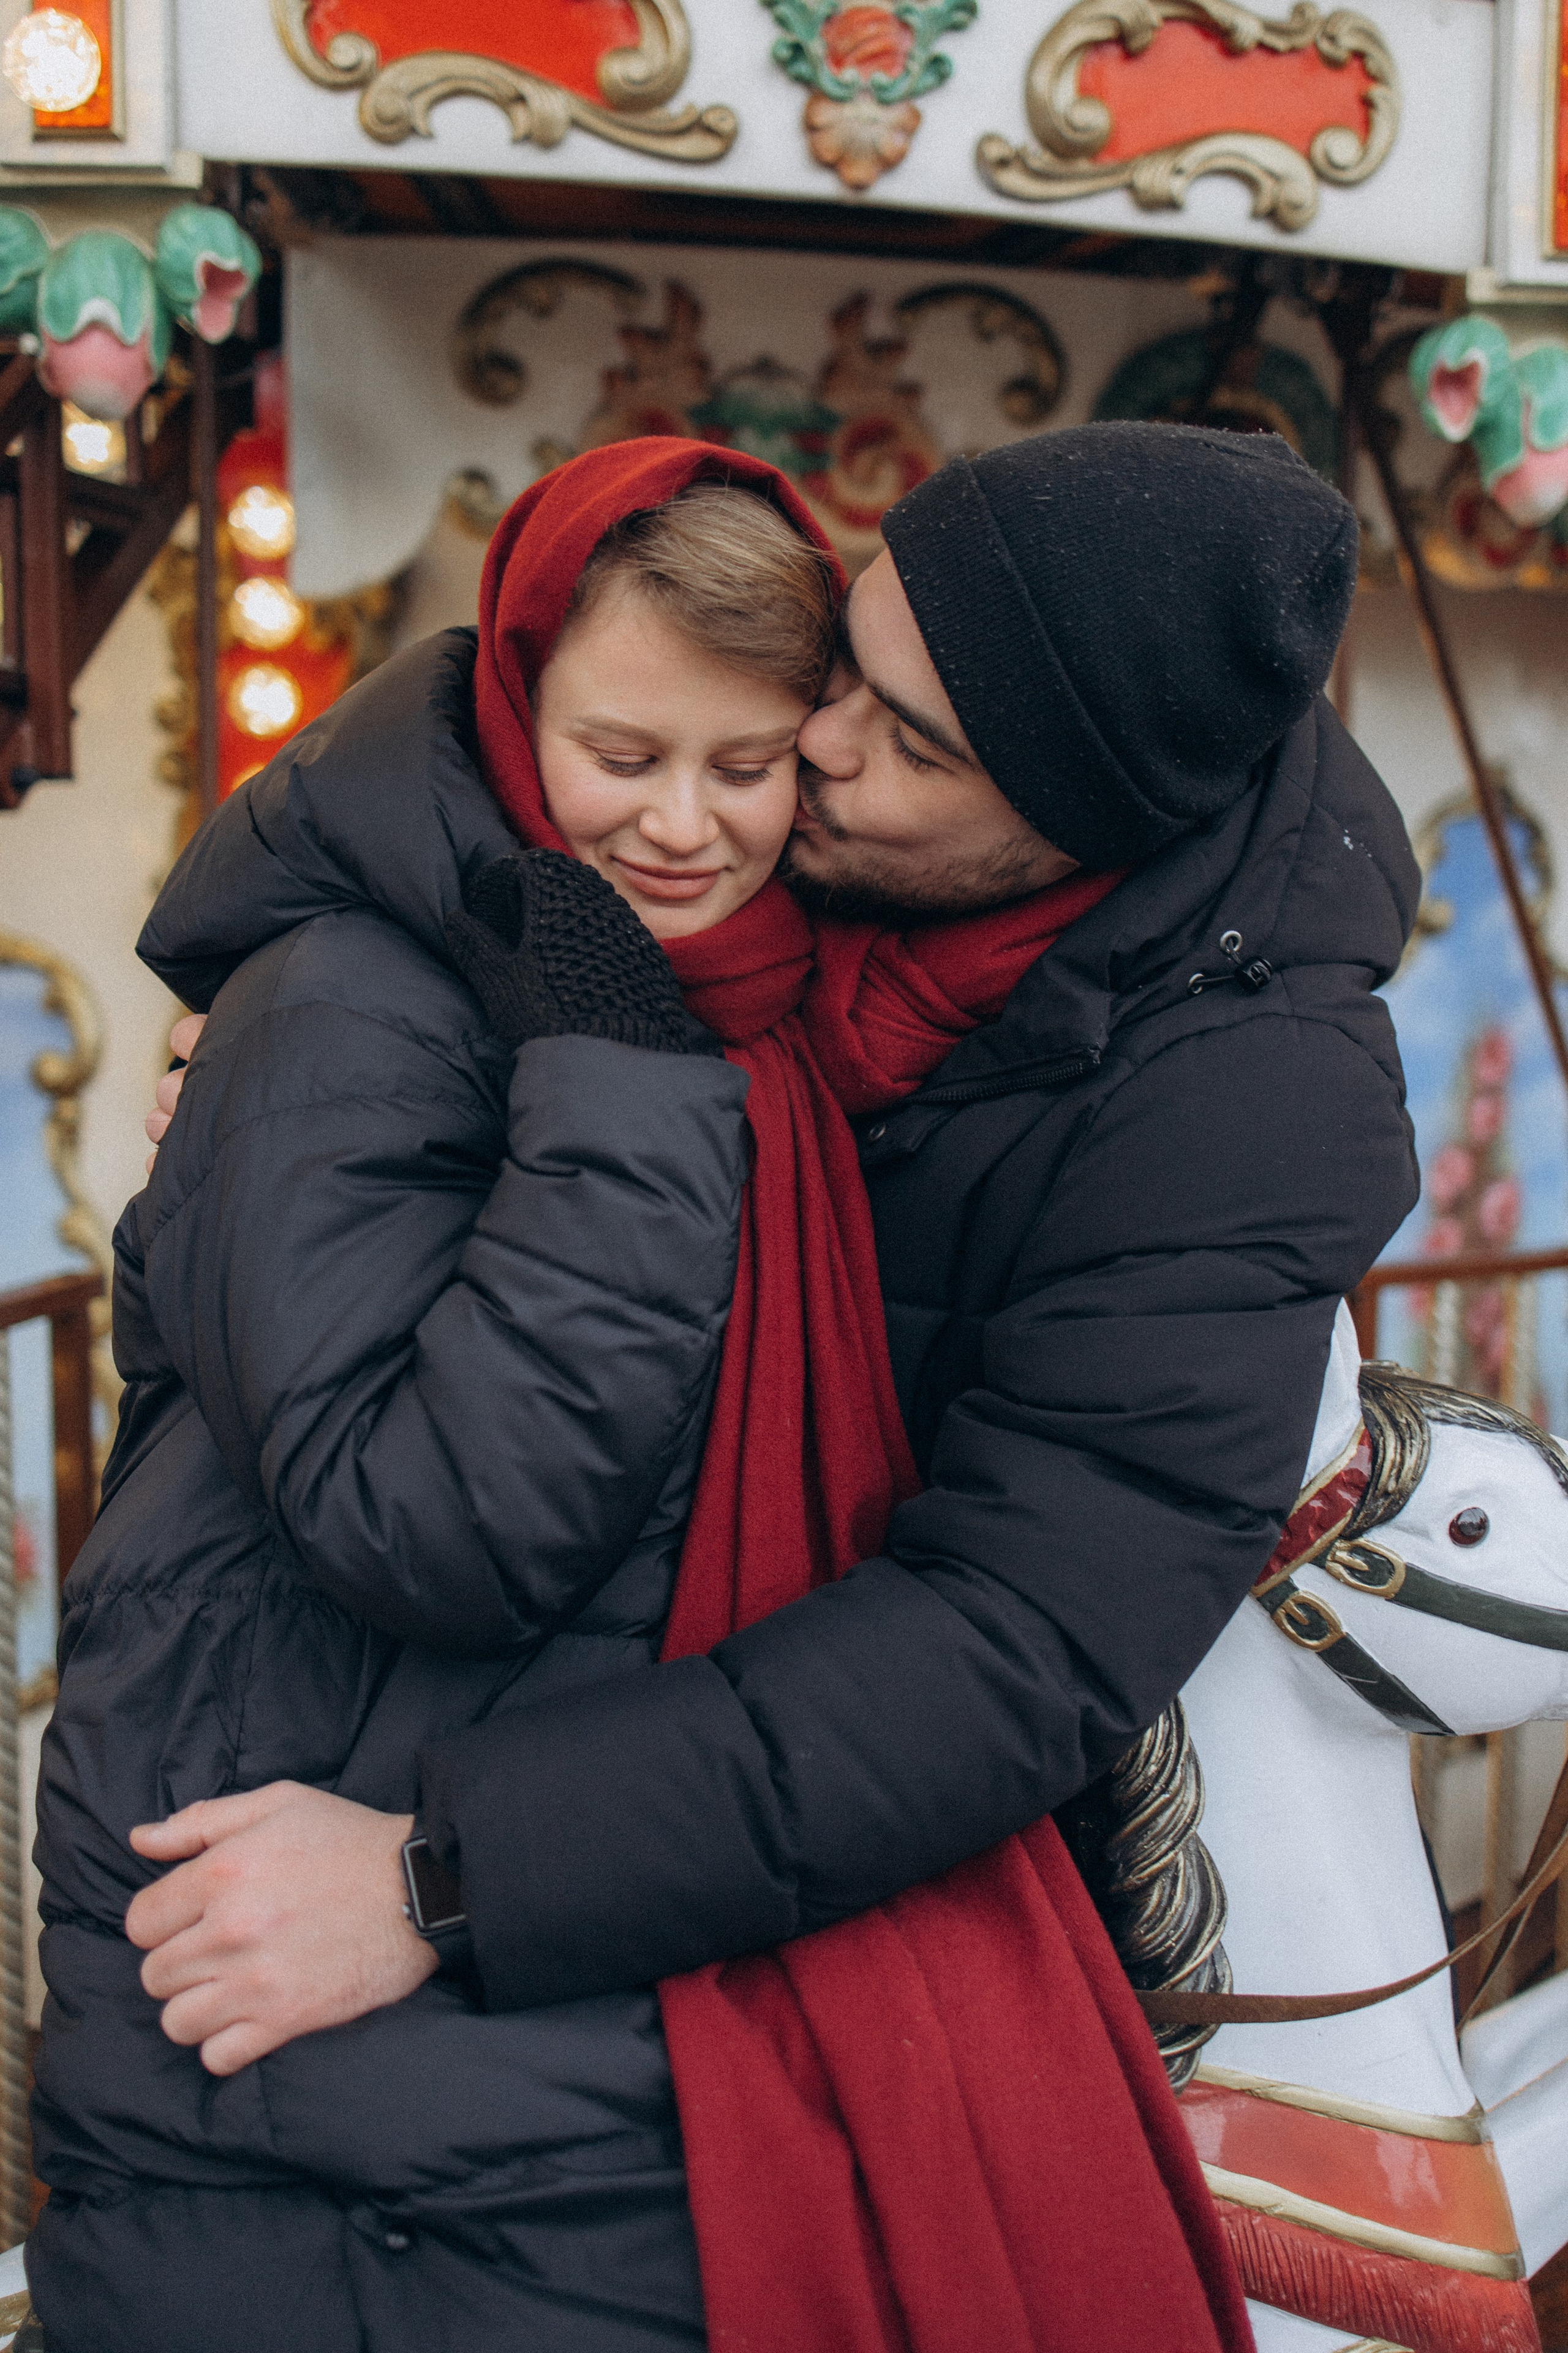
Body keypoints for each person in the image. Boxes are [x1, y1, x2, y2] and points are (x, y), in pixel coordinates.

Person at [36, 425, 1419, 2352]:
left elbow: (1012, 1642)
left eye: (905, 739)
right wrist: (307, 1082)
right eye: (851, 658)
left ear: (1073, 826)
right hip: (440, 1703)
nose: (816, 746)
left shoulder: (1245, 1110)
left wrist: (448, 1873)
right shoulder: (746, 904)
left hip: (711, 1785)